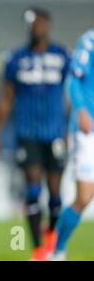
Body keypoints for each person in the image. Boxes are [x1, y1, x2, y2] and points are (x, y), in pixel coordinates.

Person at [0, 8, 71, 260]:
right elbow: (6, 98)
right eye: (33, 24)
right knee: (33, 190)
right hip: (27, 133)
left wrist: (72, 128)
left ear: (48, 25)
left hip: (55, 132)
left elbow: (72, 93)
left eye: (40, 23)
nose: (37, 28)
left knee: (55, 194)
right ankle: (39, 248)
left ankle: (53, 240)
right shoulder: (16, 59)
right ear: (28, 28)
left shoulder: (61, 56)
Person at [50, 29, 94, 261]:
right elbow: (72, 80)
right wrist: (81, 110)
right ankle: (57, 250)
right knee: (84, 196)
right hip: (88, 132)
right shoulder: (89, 42)